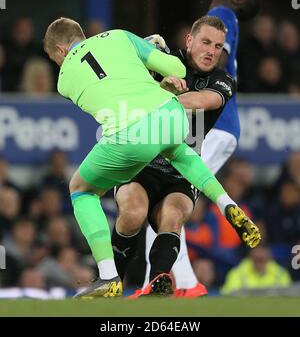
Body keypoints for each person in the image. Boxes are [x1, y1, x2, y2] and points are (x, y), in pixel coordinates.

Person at [44, 16, 260, 298]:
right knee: (165, 170)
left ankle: (110, 277)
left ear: (60, 52)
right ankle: (227, 203)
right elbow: (173, 68)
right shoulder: (123, 36)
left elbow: (114, 83)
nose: (212, 50)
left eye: (218, 46)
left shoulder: (64, 81)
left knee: (81, 190)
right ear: (189, 40)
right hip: (169, 123)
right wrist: (159, 86)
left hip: (136, 139)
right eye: (206, 42)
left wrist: (153, 82)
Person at [114, 0, 261, 297]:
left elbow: (197, 86)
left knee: (167, 202)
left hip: (211, 128)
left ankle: (168, 283)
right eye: (205, 43)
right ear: (190, 39)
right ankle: (182, 282)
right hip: (210, 129)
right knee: (166, 200)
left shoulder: (222, 15)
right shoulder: (199, 41)